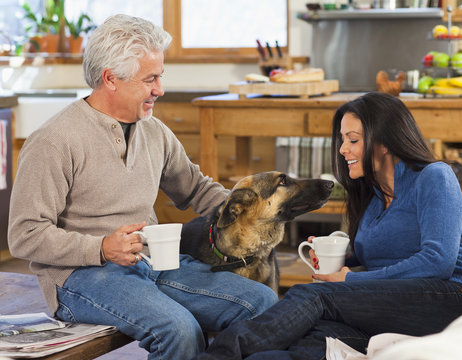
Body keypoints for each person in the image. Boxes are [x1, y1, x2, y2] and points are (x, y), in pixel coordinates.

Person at [8, 14, 277, 359]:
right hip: (80, 278)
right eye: (150, 79)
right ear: (111, 79)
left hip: (150, 262)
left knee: (261, 303)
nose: (160, 89)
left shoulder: (154, 131)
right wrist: (103, 247)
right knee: (178, 330)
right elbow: (24, 234)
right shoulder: (54, 141)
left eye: (160, 76)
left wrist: (255, 212)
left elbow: (195, 189)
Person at [194, 92, 462, 360]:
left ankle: (215, 356)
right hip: (390, 309)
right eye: (343, 139)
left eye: (353, 140)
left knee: (312, 296)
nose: (343, 149)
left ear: (385, 142)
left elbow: (438, 261)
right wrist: (343, 258)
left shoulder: (434, 176)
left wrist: (351, 281)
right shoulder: (371, 197)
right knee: (301, 344)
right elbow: (380, 256)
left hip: (448, 300)